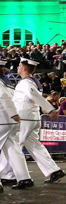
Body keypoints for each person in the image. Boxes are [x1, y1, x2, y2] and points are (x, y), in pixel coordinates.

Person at [12, 58, 65, 184]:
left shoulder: (26, 83)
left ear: (24, 68)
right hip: (32, 117)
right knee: (35, 146)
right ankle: (54, 170)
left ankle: (15, 176)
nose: (18, 67)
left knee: (14, 146)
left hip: (24, 118)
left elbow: (34, 95)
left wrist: (50, 110)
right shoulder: (33, 81)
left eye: (19, 65)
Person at [0, 60, 34, 190]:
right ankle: (24, 178)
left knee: (13, 148)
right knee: (13, 149)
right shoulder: (6, 81)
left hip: (3, 119)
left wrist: (13, 113)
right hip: (11, 120)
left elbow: (3, 97)